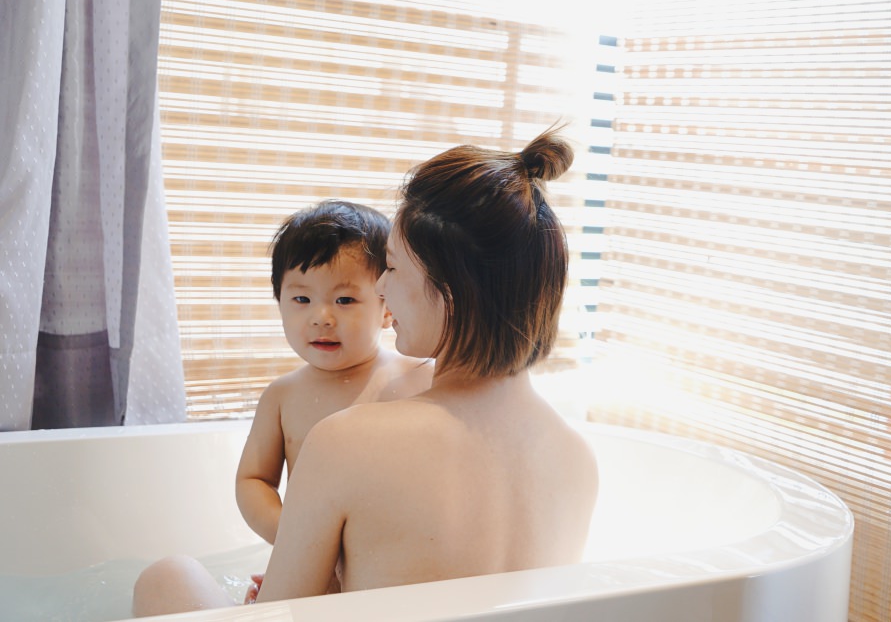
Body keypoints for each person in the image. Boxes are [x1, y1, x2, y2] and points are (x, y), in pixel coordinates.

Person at [131, 127, 600, 616]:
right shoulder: (577, 458)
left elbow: (278, 614)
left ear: (449, 293)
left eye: (392, 268)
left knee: (169, 577)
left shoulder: (345, 442)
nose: (380, 288)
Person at [236, 199, 433, 597]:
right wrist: (296, 543)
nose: (321, 317)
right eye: (301, 299)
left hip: (390, 573)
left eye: (344, 300)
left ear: (387, 308)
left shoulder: (418, 378)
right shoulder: (283, 396)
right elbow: (253, 480)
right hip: (315, 574)